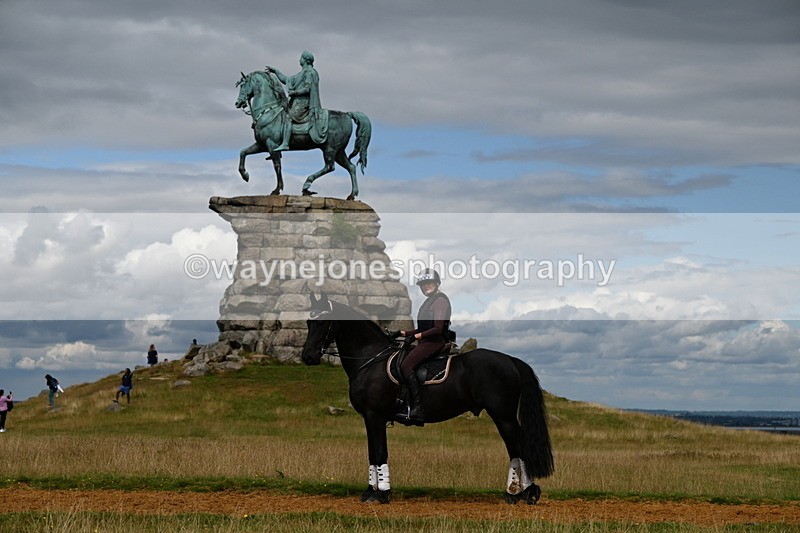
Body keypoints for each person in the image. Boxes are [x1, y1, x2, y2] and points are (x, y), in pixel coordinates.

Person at [392, 269, 452, 426]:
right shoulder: (428, 302)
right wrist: (403, 333)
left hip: (435, 342)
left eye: (429, 283)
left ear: (437, 283)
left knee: (406, 365)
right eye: (423, 284)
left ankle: (418, 409)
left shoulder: (440, 301)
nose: (426, 286)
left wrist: (417, 337)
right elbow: (423, 328)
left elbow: (437, 329)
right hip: (426, 341)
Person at [266, 50, 329, 149]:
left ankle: (286, 143)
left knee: (288, 117)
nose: (299, 59)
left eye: (301, 58)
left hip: (304, 103)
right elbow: (286, 80)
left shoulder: (310, 72)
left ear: (305, 60)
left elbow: (308, 89)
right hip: (297, 102)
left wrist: (294, 92)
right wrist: (276, 71)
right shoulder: (302, 73)